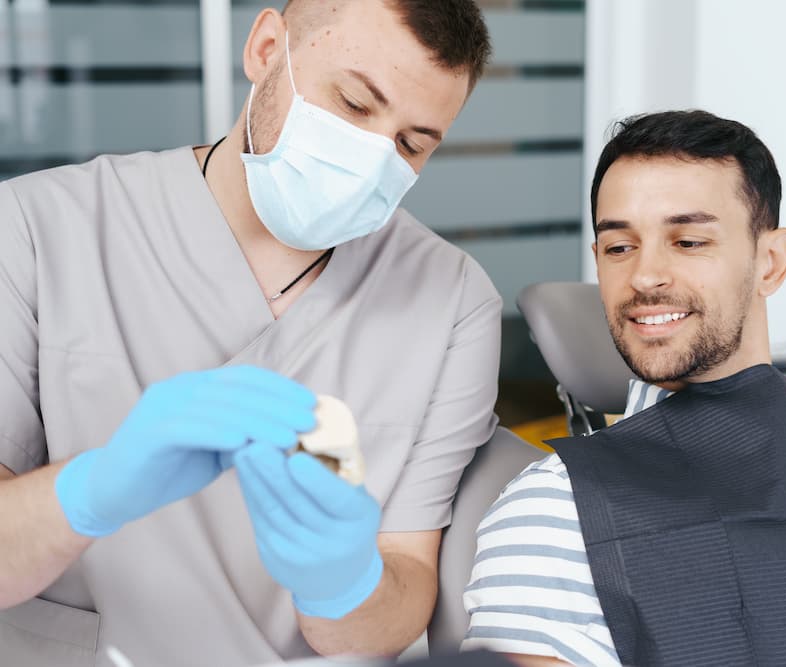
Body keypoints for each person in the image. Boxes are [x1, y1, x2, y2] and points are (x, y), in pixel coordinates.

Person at [0, 1, 500, 665]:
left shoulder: (454, 300)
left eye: (412, 144)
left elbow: (405, 586)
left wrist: (346, 585)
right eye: (353, 103)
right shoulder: (35, 230)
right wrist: (88, 490)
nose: (373, 157)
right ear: (266, 49)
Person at [462, 110, 786, 666]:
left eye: (689, 241)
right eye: (619, 248)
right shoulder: (558, 506)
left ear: (771, 262)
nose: (645, 276)